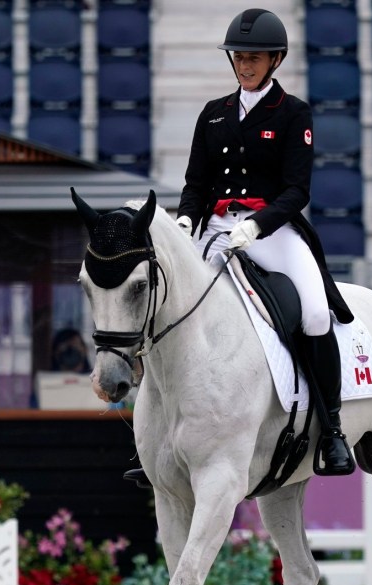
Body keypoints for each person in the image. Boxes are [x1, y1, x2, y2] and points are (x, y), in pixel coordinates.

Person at [124, 8, 356, 488]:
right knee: (166, 306)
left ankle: (332, 430)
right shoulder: (213, 114)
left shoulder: (293, 113)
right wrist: (187, 217)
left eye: (253, 58)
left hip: (271, 231)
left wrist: (257, 225)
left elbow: (298, 191)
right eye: (238, 57)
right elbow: (195, 183)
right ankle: (158, 439)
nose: (244, 65)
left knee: (314, 313)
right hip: (213, 229)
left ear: (274, 60)